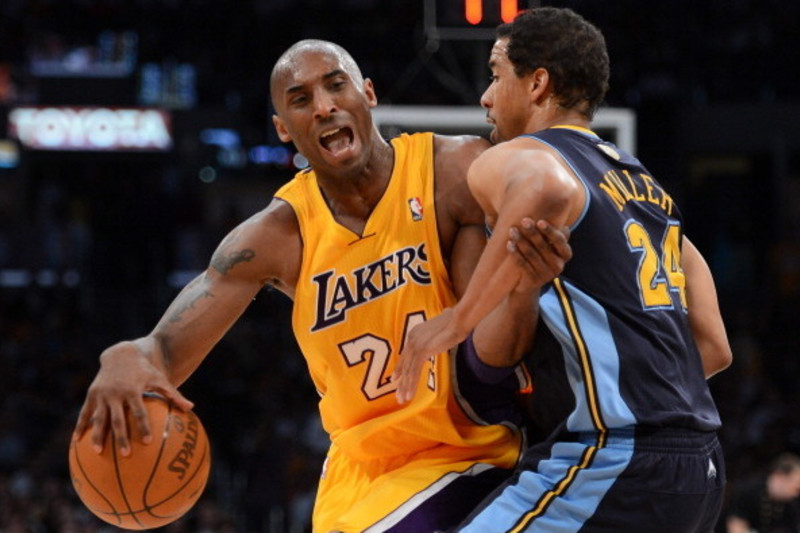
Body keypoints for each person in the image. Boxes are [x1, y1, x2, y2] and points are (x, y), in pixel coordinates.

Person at [72, 39, 572, 532]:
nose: (325, 106)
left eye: (336, 86)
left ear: (368, 94)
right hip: (358, 476)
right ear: (283, 129)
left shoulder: (451, 172)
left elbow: (497, 347)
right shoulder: (276, 236)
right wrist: (125, 357)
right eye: (301, 99)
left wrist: (526, 282)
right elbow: (162, 350)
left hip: (467, 450)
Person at [394, 7, 732, 532]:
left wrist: (455, 322)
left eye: (495, 73)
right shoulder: (647, 190)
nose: (485, 96)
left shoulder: (523, 154)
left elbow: (545, 188)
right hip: (700, 466)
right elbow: (713, 346)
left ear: (538, 83)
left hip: (618, 458)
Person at [727, 453, 800, 533]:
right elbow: (736, 525)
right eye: (796, 487)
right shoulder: (748, 490)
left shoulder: (792, 504)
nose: (796, 493)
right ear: (780, 476)